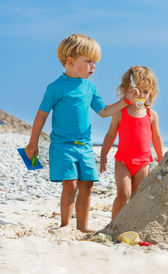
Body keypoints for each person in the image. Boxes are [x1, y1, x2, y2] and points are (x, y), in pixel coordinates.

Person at [25, 34, 135, 232]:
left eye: (95, 62)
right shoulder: (55, 87)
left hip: (85, 146)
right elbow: (41, 116)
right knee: (70, 185)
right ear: (70, 61)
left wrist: (125, 101)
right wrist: (32, 143)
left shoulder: (90, 87)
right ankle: (65, 225)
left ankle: (83, 227)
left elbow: (103, 111)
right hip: (62, 146)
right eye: (89, 61)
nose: (93, 66)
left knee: (88, 186)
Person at [100, 66, 163, 219]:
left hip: (143, 163)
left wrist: (162, 159)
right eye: (137, 91)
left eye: (145, 92)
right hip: (123, 161)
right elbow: (110, 135)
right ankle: (113, 225)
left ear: (151, 93)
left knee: (137, 197)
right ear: (127, 90)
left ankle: (130, 224)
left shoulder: (151, 115)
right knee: (123, 194)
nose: (141, 95)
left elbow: (156, 138)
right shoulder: (119, 112)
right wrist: (103, 155)